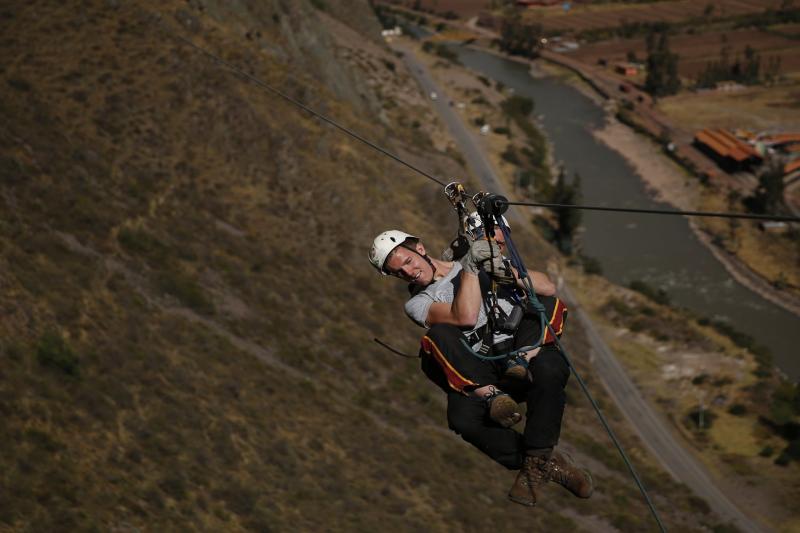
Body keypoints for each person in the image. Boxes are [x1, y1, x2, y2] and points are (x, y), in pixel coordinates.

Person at [369, 224, 593, 507]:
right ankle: (500, 407)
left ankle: (537, 461)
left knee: (549, 365)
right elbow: (465, 317)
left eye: (408, 262)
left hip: (521, 350)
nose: (408, 272)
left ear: (420, 249)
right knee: (461, 413)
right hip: (481, 371)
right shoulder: (418, 303)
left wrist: (502, 270)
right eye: (398, 272)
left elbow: (547, 287)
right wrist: (471, 270)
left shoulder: (474, 260)